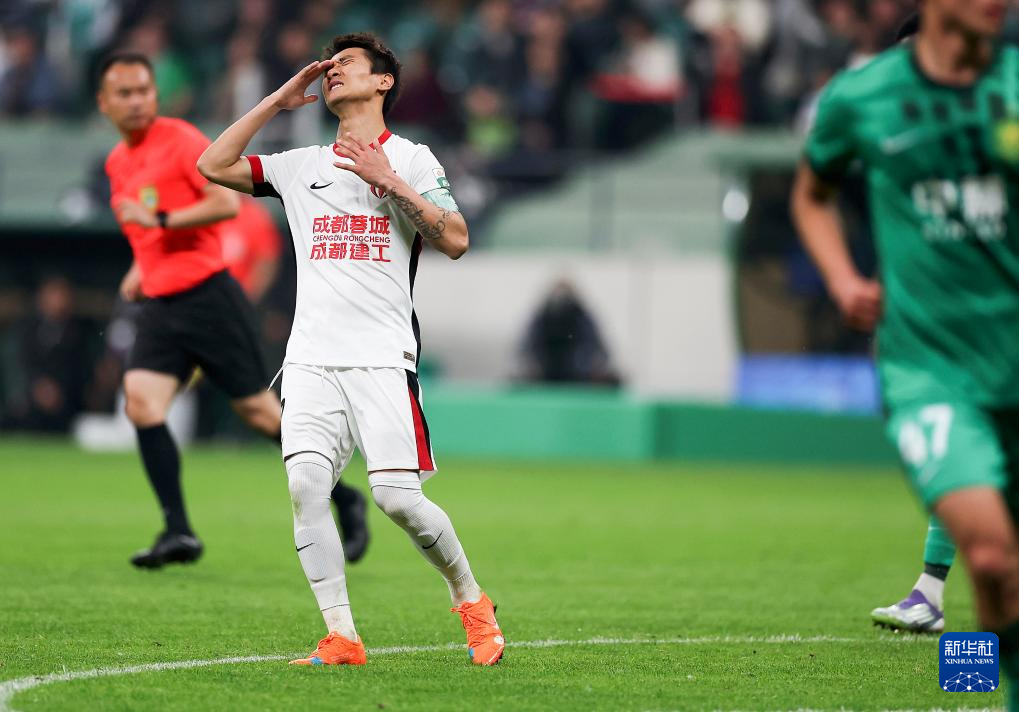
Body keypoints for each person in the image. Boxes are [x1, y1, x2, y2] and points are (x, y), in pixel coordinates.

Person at [198, 32, 506, 666]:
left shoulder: (412, 158)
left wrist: (387, 180)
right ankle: (342, 635)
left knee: (398, 499)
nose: (332, 72)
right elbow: (213, 164)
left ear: (383, 81)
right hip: (310, 358)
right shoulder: (300, 164)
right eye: (328, 67)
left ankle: (471, 600)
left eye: (348, 64)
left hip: (382, 356)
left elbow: (456, 239)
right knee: (305, 484)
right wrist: (276, 102)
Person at [791, 0, 1019, 707]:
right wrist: (841, 279)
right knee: (988, 552)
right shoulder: (860, 97)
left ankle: (974, 671)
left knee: (1005, 567)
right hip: (928, 364)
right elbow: (812, 193)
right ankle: (945, 631)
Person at [97, 52, 368, 570]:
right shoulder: (117, 161)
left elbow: (224, 205)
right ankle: (178, 530)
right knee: (142, 405)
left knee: (260, 414)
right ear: (103, 102)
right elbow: (144, 232)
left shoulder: (179, 140)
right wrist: (139, 264)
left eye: (144, 91)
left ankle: (345, 496)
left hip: (208, 297)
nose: (136, 101)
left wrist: (159, 219)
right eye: (124, 93)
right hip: (160, 302)